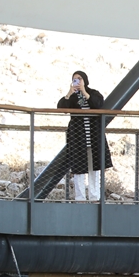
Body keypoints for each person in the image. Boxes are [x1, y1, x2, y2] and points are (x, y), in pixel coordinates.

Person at [57, 71, 113, 201]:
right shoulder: (72, 97)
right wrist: (69, 93)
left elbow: (97, 104)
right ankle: (80, 198)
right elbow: (61, 107)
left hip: (94, 136)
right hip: (78, 137)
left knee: (94, 168)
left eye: (79, 78)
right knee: (78, 168)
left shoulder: (93, 93)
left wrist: (84, 92)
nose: (77, 81)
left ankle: (94, 197)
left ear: (85, 80)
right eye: (74, 79)